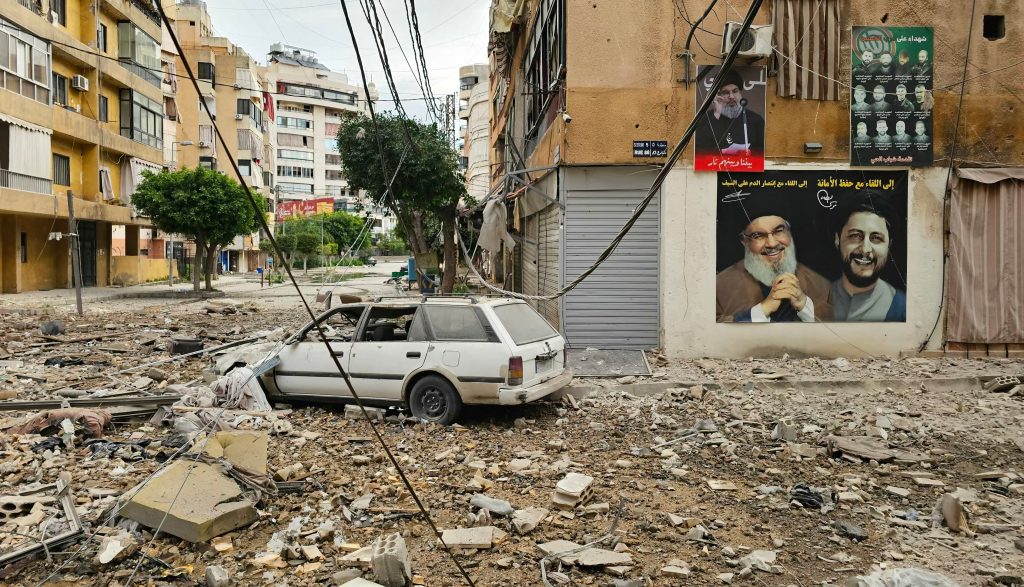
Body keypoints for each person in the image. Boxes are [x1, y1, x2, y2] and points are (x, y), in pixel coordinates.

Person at [716, 209, 832, 322]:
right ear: (744, 241)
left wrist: (805, 306)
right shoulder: (718, 287)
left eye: (778, 231)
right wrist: (763, 310)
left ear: (789, 233)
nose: (772, 244)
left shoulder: (822, 286)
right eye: (758, 236)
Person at [830, 194, 906, 321]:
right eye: (855, 236)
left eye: (876, 238)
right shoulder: (812, 300)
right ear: (837, 239)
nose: (865, 250)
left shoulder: (903, 309)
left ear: (889, 245)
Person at [695, 68, 765, 159]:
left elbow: (761, 151)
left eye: (735, 91)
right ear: (718, 95)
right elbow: (700, 151)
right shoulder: (706, 119)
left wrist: (750, 153)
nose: (731, 96)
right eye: (725, 93)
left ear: (740, 93)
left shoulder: (756, 120)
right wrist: (716, 114)